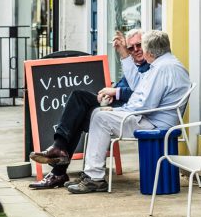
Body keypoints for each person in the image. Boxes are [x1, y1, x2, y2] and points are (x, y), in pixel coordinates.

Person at [32, 30, 190, 194]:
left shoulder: (161, 69)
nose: (138, 50)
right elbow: (144, 98)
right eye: (132, 48)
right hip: (156, 118)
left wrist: (119, 109)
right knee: (93, 112)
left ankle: (92, 177)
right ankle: (77, 166)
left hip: (154, 123)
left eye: (141, 47)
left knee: (100, 117)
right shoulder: (170, 64)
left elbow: (145, 104)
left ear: (150, 52)